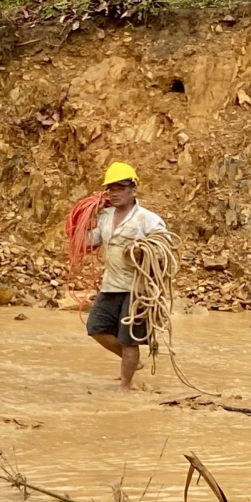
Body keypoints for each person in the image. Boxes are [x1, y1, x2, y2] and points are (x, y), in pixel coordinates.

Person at [84, 162, 167, 391]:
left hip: (137, 290)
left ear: (133, 190)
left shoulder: (147, 219)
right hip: (111, 285)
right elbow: (88, 242)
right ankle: (131, 362)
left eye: (120, 188)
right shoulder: (105, 217)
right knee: (95, 327)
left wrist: (143, 250)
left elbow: (163, 251)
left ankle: (125, 387)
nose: (114, 193)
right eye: (110, 189)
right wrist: (82, 222)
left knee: (129, 338)